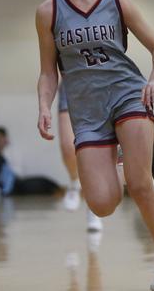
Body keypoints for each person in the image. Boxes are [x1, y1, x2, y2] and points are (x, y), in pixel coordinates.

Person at [35, 0, 154, 290]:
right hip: (86, 111)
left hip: (128, 94)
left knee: (140, 183)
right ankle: (119, 154)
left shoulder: (117, 1)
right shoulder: (48, 12)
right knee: (102, 204)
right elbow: (47, 71)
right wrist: (43, 106)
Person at [58, 83, 105, 231]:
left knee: (93, 151)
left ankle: (93, 207)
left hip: (101, 82)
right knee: (68, 147)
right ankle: (74, 183)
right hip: (71, 82)